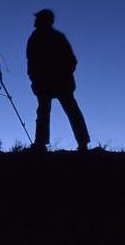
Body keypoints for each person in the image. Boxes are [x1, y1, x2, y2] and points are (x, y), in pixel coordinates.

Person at [26, 9, 90, 152]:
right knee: (46, 111)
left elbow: (71, 61)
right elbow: (31, 62)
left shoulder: (52, 37)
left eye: (38, 18)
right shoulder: (38, 38)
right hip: (47, 83)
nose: (34, 21)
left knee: (68, 111)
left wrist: (62, 74)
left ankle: (82, 143)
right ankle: (41, 144)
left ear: (44, 20)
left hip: (60, 83)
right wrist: (34, 78)